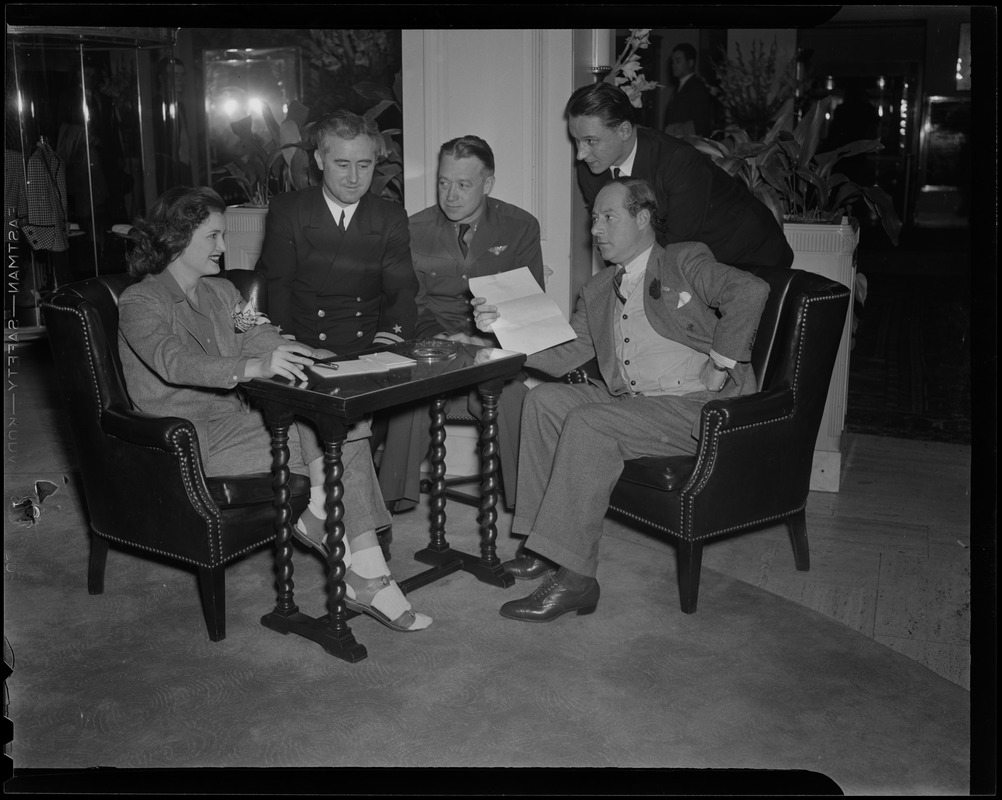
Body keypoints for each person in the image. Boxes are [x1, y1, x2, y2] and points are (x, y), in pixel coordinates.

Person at [117, 186, 431, 632]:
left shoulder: (223, 293)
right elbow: (174, 361)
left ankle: (356, 554)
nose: (224, 247)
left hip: (243, 422)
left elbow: (260, 334)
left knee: (339, 418)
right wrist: (252, 366)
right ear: (176, 238)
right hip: (189, 438)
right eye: (213, 237)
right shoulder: (140, 302)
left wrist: (309, 356)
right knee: (335, 429)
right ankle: (364, 565)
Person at [471, 178, 769, 622]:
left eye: (609, 217)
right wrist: (502, 331)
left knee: (591, 423)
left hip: (695, 407)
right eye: (594, 219)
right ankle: (545, 548)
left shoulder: (685, 260)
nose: (597, 229)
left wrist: (722, 363)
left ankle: (575, 581)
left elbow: (751, 291)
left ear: (643, 218)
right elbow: (563, 357)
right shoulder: (596, 290)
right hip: (634, 403)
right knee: (544, 402)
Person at [377, 135, 544, 512]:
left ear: (487, 184)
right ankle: (389, 506)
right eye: (443, 182)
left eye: (463, 185)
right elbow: (408, 305)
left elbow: (530, 305)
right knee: (413, 392)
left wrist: (482, 338)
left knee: (515, 398)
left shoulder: (519, 227)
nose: (450, 195)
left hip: (493, 350)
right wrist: (440, 339)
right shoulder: (413, 229)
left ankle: (528, 511)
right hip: (433, 346)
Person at [568, 81, 793, 270]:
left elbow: (676, 248)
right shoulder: (591, 171)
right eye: (576, 141)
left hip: (750, 255)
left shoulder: (678, 161)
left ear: (624, 131)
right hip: (691, 261)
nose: (580, 154)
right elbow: (612, 240)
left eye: (590, 141)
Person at [256, 110, 418, 355]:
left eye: (364, 165)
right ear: (320, 160)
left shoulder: (389, 218)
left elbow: (401, 295)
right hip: (303, 348)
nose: (354, 178)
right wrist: (296, 351)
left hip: (369, 349)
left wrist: (376, 357)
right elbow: (277, 290)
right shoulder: (289, 211)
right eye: (342, 165)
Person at [153, 56, 194, 193]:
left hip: (183, 167)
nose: (180, 79)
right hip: (167, 171)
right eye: (175, 75)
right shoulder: (157, 105)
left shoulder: (180, 105)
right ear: (162, 78)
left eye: (182, 75)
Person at [662, 43, 715, 138]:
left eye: (678, 61)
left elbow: (701, 123)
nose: (673, 65)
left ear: (690, 63)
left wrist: (675, 129)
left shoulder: (697, 87)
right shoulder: (679, 87)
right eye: (672, 62)